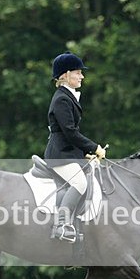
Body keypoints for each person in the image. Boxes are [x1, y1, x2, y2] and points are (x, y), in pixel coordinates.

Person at [44, 52, 106, 242]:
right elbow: (70, 132)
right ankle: (62, 226)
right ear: (65, 75)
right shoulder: (62, 99)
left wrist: (83, 155)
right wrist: (94, 148)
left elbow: (69, 135)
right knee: (80, 183)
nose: (82, 76)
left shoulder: (67, 97)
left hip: (68, 152)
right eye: (78, 73)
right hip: (59, 155)